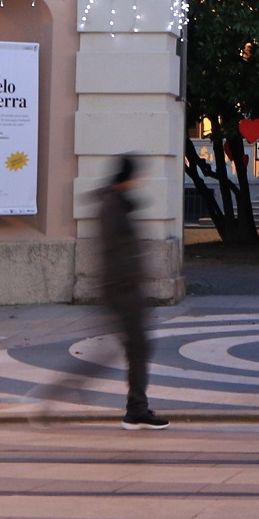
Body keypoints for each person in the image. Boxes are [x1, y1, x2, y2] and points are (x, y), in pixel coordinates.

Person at [75, 155, 169, 428]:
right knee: (134, 348)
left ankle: (136, 407)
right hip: (121, 289)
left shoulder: (116, 204)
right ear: (128, 177)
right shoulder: (112, 207)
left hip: (125, 288)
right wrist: (129, 281)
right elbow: (113, 250)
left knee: (133, 348)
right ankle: (136, 409)